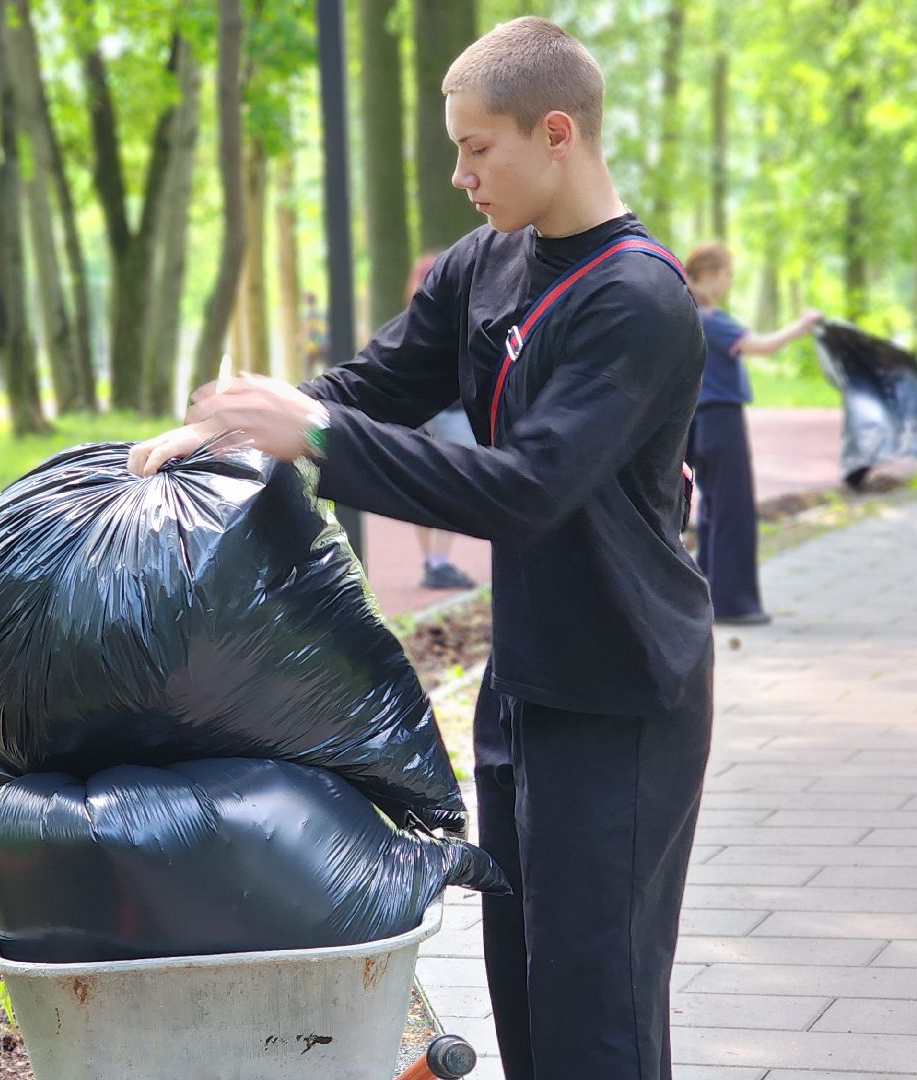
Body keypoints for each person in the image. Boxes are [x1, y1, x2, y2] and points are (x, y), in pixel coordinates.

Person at [131, 18, 712, 1079]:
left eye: (477, 150)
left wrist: (316, 435)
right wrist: (243, 420)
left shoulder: (637, 300)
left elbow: (529, 487)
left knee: (599, 1004)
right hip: (526, 680)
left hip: (623, 692)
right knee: (528, 985)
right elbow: (378, 382)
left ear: (555, 135)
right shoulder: (483, 266)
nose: (459, 175)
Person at [680, 243, 819, 627]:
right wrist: (802, 325)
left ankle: (709, 594)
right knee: (733, 510)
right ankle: (734, 603)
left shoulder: (686, 313)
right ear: (706, 274)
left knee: (713, 511)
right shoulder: (711, 318)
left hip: (700, 423)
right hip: (722, 420)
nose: (727, 283)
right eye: (725, 275)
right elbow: (762, 346)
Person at [407, 250, 479, 590]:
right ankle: (438, 563)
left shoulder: (412, 317)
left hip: (416, 411)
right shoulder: (454, 314)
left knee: (422, 483)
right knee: (457, 482)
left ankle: (431, 561)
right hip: (448, 411)